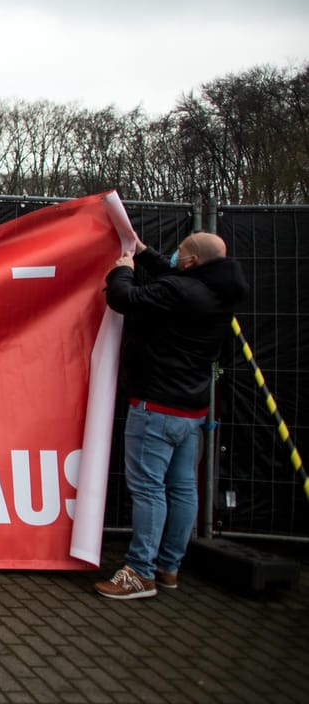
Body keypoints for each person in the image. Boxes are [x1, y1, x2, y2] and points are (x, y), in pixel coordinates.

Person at [94, 232, 248, 599]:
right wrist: (143, 252)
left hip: (156, 406)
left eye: (181, 252)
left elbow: (123, 298)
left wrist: (122, 269)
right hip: (190, 409)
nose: (175, 256)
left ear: (193, 262)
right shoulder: (219, 288)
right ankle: (169, 567)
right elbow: (173, 274)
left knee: (148, 490)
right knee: (182, 490)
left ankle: (139, 572)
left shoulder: (183, 291)